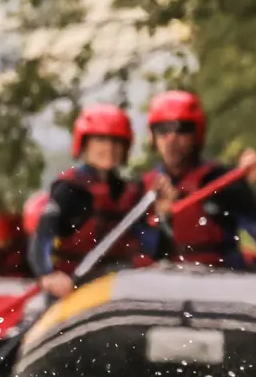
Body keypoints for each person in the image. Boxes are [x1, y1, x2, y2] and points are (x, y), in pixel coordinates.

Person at [31, 105, 174, 300]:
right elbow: (41, 240)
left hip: (117, 287)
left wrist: (161, 215)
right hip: (72, 288)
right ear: (84, 144)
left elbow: (154, 249)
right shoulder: (69, 189)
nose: (109, 148)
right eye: (100, 140)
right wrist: (47, 275)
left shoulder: (132, 191)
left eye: (116, 142)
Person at [139, 90, 256, 271]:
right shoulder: (142, 190)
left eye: (182, 130)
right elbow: (142, 253)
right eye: (163, 130)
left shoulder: (224, 181)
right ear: (153, 136)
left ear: (196, 135)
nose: (171, 140)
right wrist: (162, 218)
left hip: (220, 279)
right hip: (166, 285)